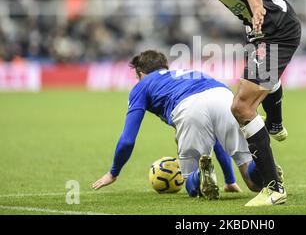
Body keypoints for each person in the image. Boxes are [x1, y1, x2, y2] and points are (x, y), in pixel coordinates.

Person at [158, 0, 301, 206]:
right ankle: (275, 122)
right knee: (248, 93)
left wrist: (257, 7)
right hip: (262, 31)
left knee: (241, 108)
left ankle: (274, 189)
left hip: (274, 29)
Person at [91, 50, 280, 203]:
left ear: (141, 74)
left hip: (187, 107)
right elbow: (217, 138)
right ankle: (266, 167)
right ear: (165, 66)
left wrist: (113, 173)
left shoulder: (142, 85)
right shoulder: (190, 73)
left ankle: (199, 174)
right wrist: (230, 180)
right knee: (254, 183)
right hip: (223, 96)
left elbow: (127, 140)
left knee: (191, 183)